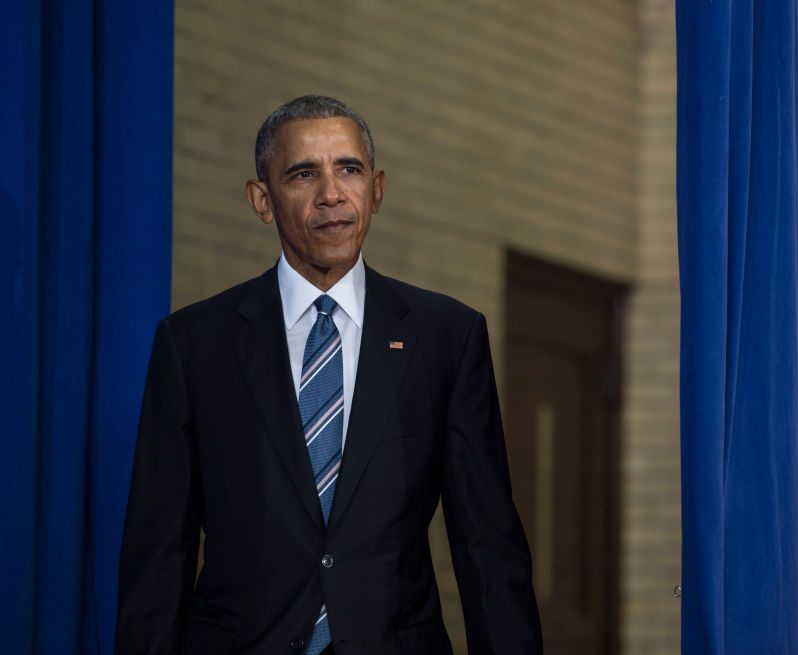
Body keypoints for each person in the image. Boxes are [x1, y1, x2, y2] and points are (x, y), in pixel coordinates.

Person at [115, 95, 542, 655]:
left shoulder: (448, 337)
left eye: (349, 169)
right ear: (261, 200)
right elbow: (158, 555)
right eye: (303, 174)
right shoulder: (195, 344)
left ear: (378, 189)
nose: (332, 195)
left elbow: (487, 546)